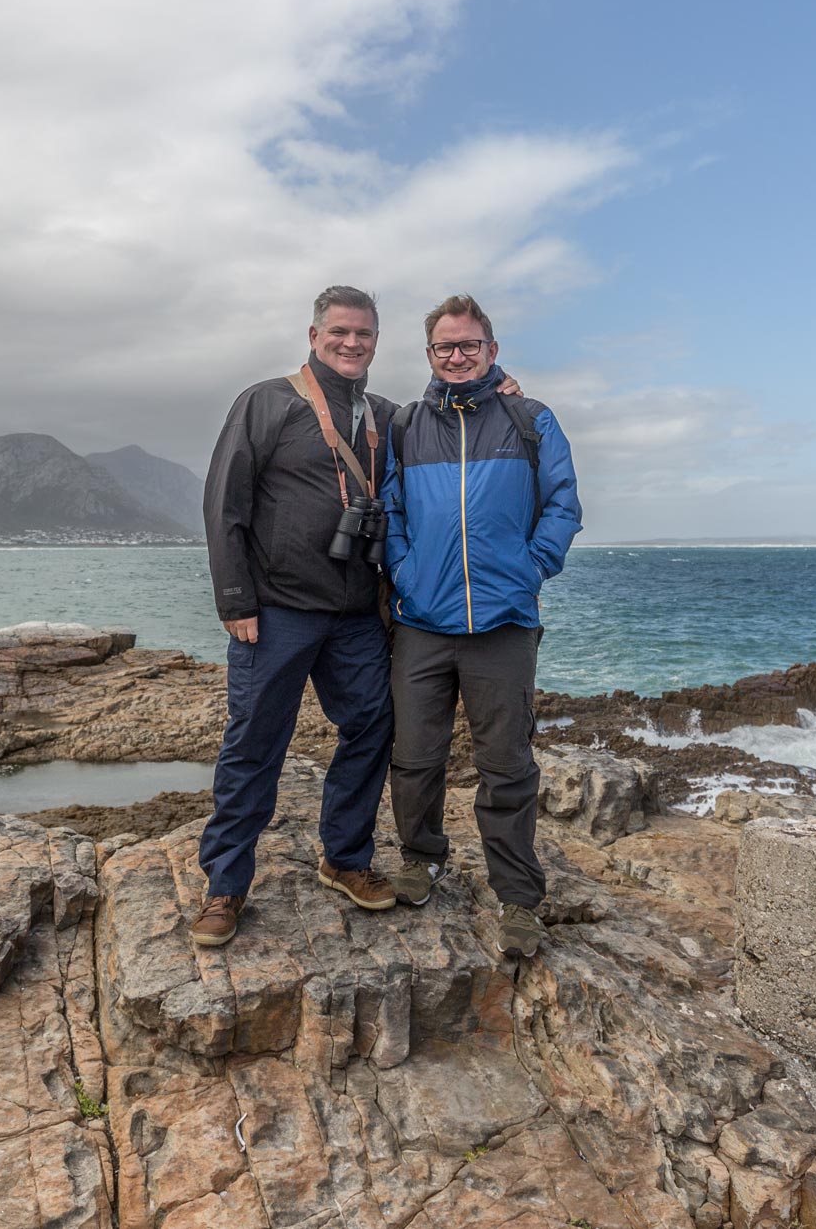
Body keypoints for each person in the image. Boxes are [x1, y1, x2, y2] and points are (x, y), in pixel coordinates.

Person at [194, 285, 403, 948]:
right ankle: (225, 887)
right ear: (314, 336)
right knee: (255, 743)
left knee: (373, 724)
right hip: (276, 612)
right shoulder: (266, 402)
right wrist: (235, 601)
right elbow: (224, 501)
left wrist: (501, 392)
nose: (351, 343)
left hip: (354, 615)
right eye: (339, 332)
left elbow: (455, 423)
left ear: (375, 341)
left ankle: (344, 858)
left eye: (363, 334)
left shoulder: (385, 416)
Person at [380, 294, 582, 957]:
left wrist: (532, 566)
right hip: (423, 622)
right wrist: (406, 572)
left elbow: (562, 504)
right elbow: (391, 513)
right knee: (413, 757)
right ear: (431, 355)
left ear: (491, 351)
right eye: (446, 347)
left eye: (470, 345)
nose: (458, 355)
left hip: (504, 622)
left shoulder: (530, 420)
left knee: (507, 766)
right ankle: (421, 859)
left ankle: (518, 898)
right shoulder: (408, 426)